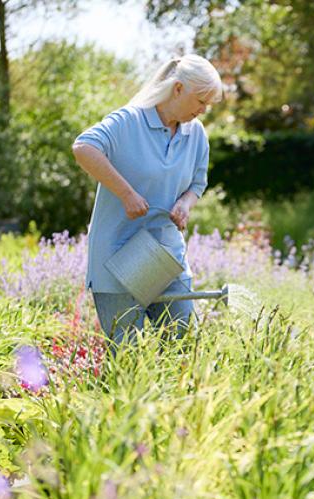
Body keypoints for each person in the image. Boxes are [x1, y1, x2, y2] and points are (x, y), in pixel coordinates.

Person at [72, 54, 222, 349]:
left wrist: (186, 204)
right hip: (118, 256)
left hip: (164, 256)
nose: (204, 110)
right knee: (128, 354)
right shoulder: (129, 120)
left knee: (179, 345)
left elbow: (198, 183)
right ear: (178, 89)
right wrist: (126, 194)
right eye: (200, 101)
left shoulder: (196, 134)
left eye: (209, 104)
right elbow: (83, 147)